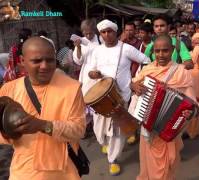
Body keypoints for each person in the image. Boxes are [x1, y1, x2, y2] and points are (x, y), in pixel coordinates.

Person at [0, 37, 86, 179]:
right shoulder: (8, 90)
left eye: (50, 60)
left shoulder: (71, 88)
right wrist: (9, 131)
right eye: (37, 61)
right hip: (24, 172)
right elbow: (2, 138)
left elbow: (78, 131)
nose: (45, 66)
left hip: (63, 172)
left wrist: (43, 125)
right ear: (22, 61)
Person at [87, 19, 150, 176]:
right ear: (100, 34)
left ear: (116, 32)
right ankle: (104, 143)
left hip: (120, 95)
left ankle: (113, 159)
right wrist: (93, 74)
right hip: (101, 96)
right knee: (98, 128)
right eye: (103, 32)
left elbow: (146, 61)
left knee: (116, 130)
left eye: (110, 31)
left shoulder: (126, 49)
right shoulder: (97, 50)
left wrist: (134, 82)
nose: (107, 35)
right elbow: (90, 71)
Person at [131, 34, 196, 180]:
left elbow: (192, 104)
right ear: (153, 51)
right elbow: (133, 83)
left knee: (168, 165)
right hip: (148, 129)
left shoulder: (182, 72)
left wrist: (188, 113)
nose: (160, 54)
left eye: (165, 50)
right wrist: (134, 86)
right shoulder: (147, 70)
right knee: (148, 165)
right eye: (157, 51)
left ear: (173, 50)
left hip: (169, 129)